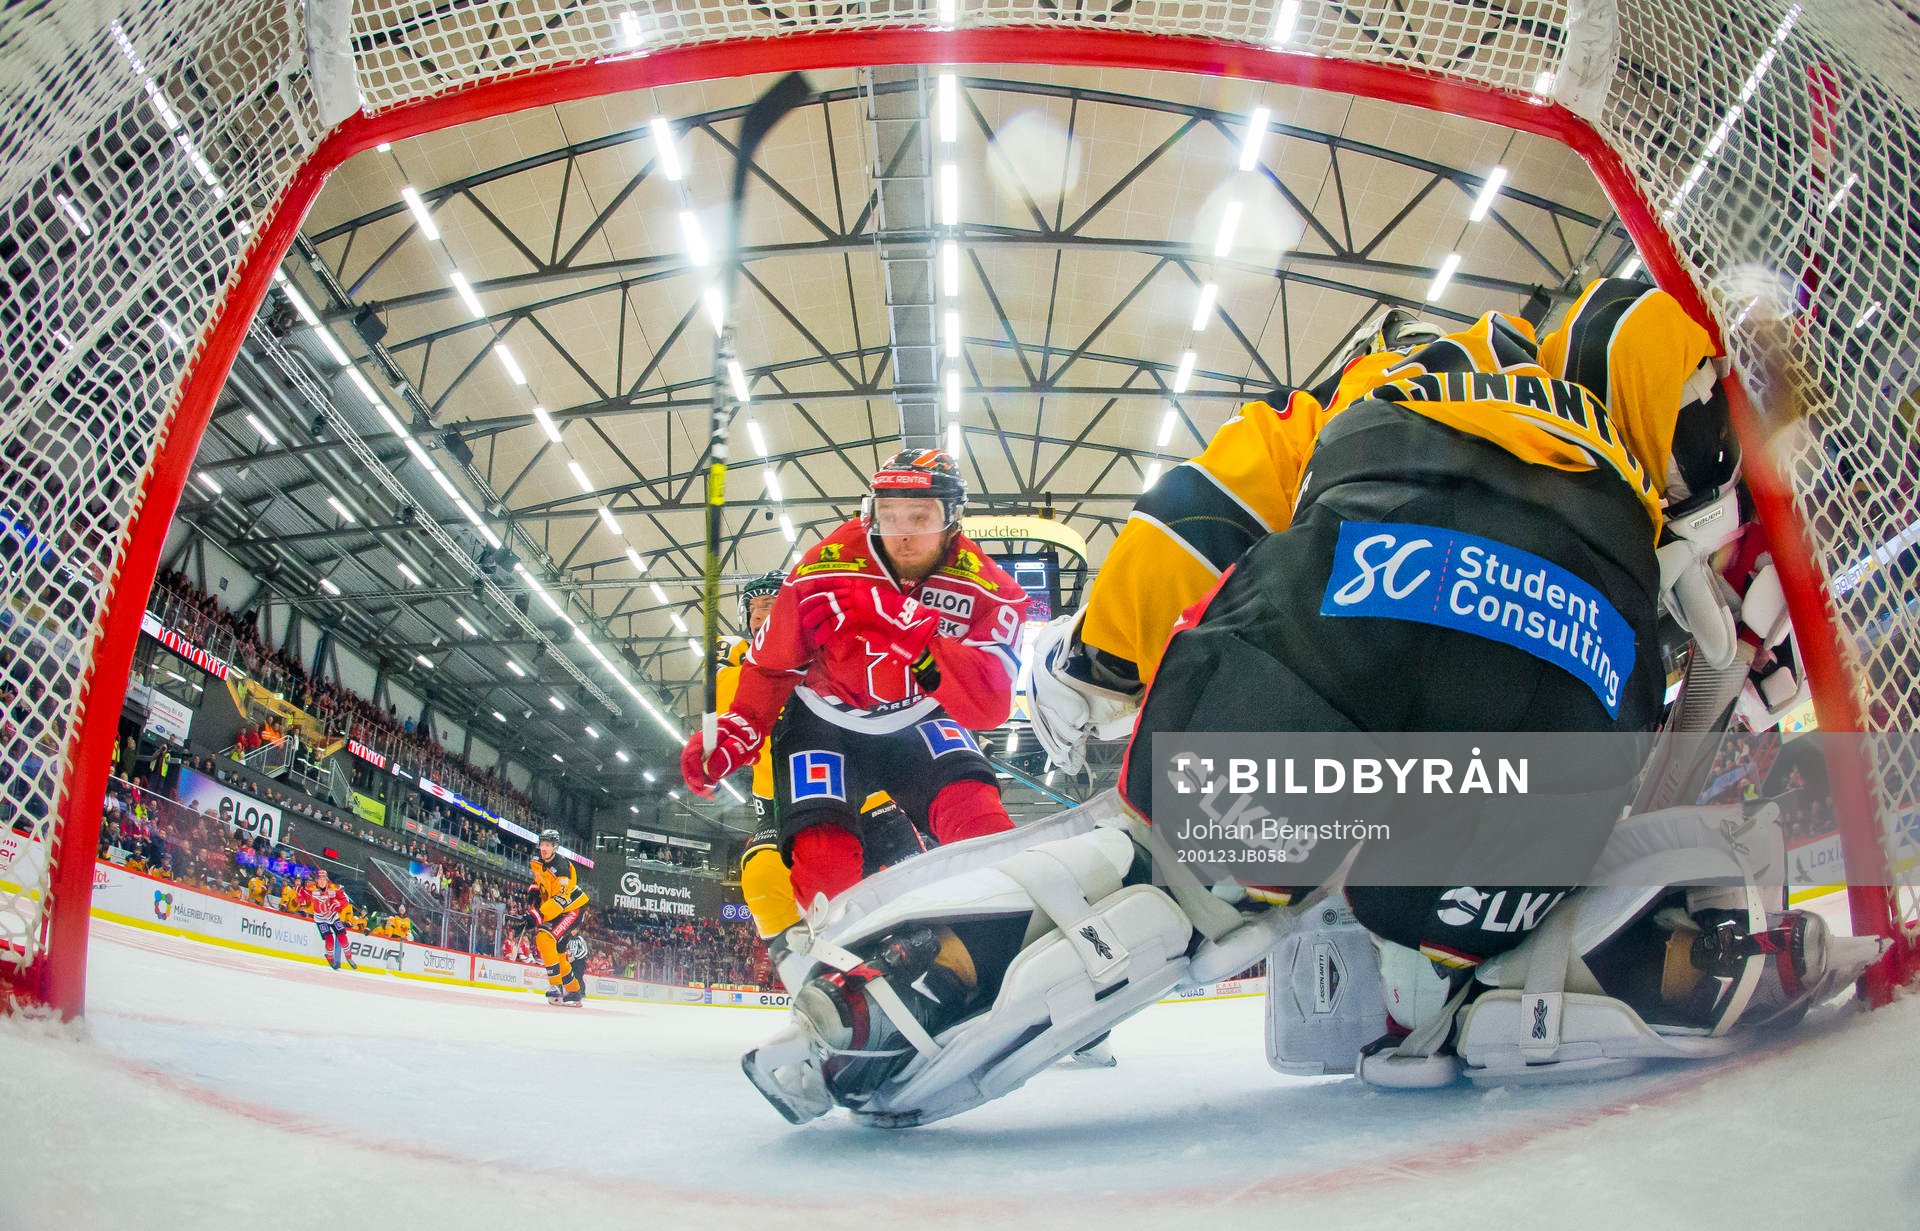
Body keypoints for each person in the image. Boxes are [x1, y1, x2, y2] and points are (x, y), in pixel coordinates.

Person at [742, 281, 1875, 1126]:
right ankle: (1509, 976)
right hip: (1559, 710)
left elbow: (1204, 507)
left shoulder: (1400, 371)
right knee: (1469, 926)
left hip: (1335, 636)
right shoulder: (1656, 464)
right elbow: (1708, 671)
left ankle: (885, 1003)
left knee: (1171, 874)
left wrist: (1095, 660)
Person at [683, 448, 1028, 925]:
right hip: (823, 724)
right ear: (870, 512)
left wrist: (914, 634)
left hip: (917, 717)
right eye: (888, 516)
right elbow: (771, 666)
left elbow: (988, 707)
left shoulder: (991, 590)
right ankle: (850, 973)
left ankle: (998, 935)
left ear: (953, 518)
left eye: (920, 516)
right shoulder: (822, 569)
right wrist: (739, 728)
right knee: (825, 873)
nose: (903, 536)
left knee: (981, 827)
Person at [520, 828, 588, 1006]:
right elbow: (540, 880)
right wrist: (534, 891)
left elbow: (560, 899)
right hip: (558, 907)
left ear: (555, 847)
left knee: (544, 936)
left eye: (548, 845)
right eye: (542, 844)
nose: (544, 848)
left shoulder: (563, 868)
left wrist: (537, 915)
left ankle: (556, 986)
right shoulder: (536, 860)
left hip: (571, 908)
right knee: (559, 955)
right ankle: (574, 992)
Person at [304, 868, 357, 971]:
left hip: (333, 916)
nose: (322, 881)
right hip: (320, 919)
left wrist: (339, 904)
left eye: (324, 879)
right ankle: (330, 957)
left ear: (327, 879)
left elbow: (344, 900)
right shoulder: (310, 888)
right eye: (320, 879)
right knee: (329, 939)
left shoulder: (334, 888)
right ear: (317, 880)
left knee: (342, 935)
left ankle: (348, 956)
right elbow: (303, 898)